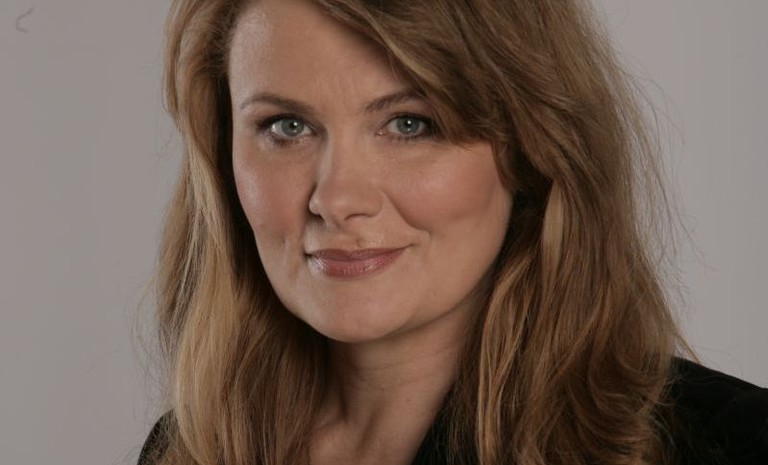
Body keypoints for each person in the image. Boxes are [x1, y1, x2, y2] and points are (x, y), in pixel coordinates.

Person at [139, 0, 768, 464]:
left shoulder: (733, 444)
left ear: (531, 150)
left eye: (410, 124)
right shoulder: (186, 448)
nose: (336, 200)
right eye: (286, 126)